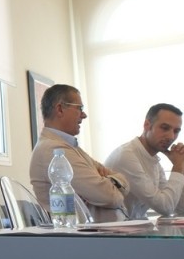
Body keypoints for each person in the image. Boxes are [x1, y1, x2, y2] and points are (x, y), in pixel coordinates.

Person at [29, 84, 130, 222]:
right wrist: (112, 182)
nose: (84, 115)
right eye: (79, 108)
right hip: (89, 233)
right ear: (60, 109)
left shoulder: (69, 146)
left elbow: (123, 185)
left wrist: (109, 181)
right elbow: (110, 196)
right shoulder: (54, 150)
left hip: (104, 230)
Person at [104, 103, 184, 220]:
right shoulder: (127, 156)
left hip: (134, 228)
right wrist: (178, 167)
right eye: (165, 128)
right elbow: (165, 207)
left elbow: (179, 209)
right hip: (114, 230)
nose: (171, 136)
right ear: (147, 125)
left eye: (176, 131)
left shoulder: (154, 161)